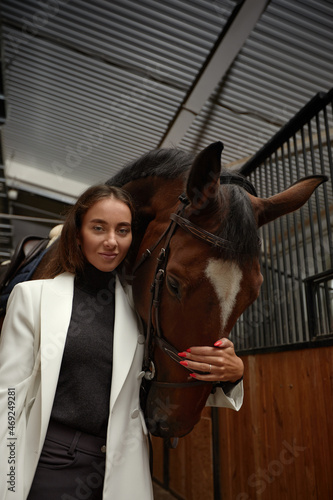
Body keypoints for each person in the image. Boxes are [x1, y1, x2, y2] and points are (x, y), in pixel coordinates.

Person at [0, 184, 243, 500]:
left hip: (120, 469)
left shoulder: (142, 308)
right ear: (77, 234)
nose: (111, 241)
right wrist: (7, 479)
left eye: (123, 230)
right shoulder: (33, 298)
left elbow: (172, 377)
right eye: (98, 228)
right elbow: (8, 398)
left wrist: (232, 373)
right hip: (49, 464)